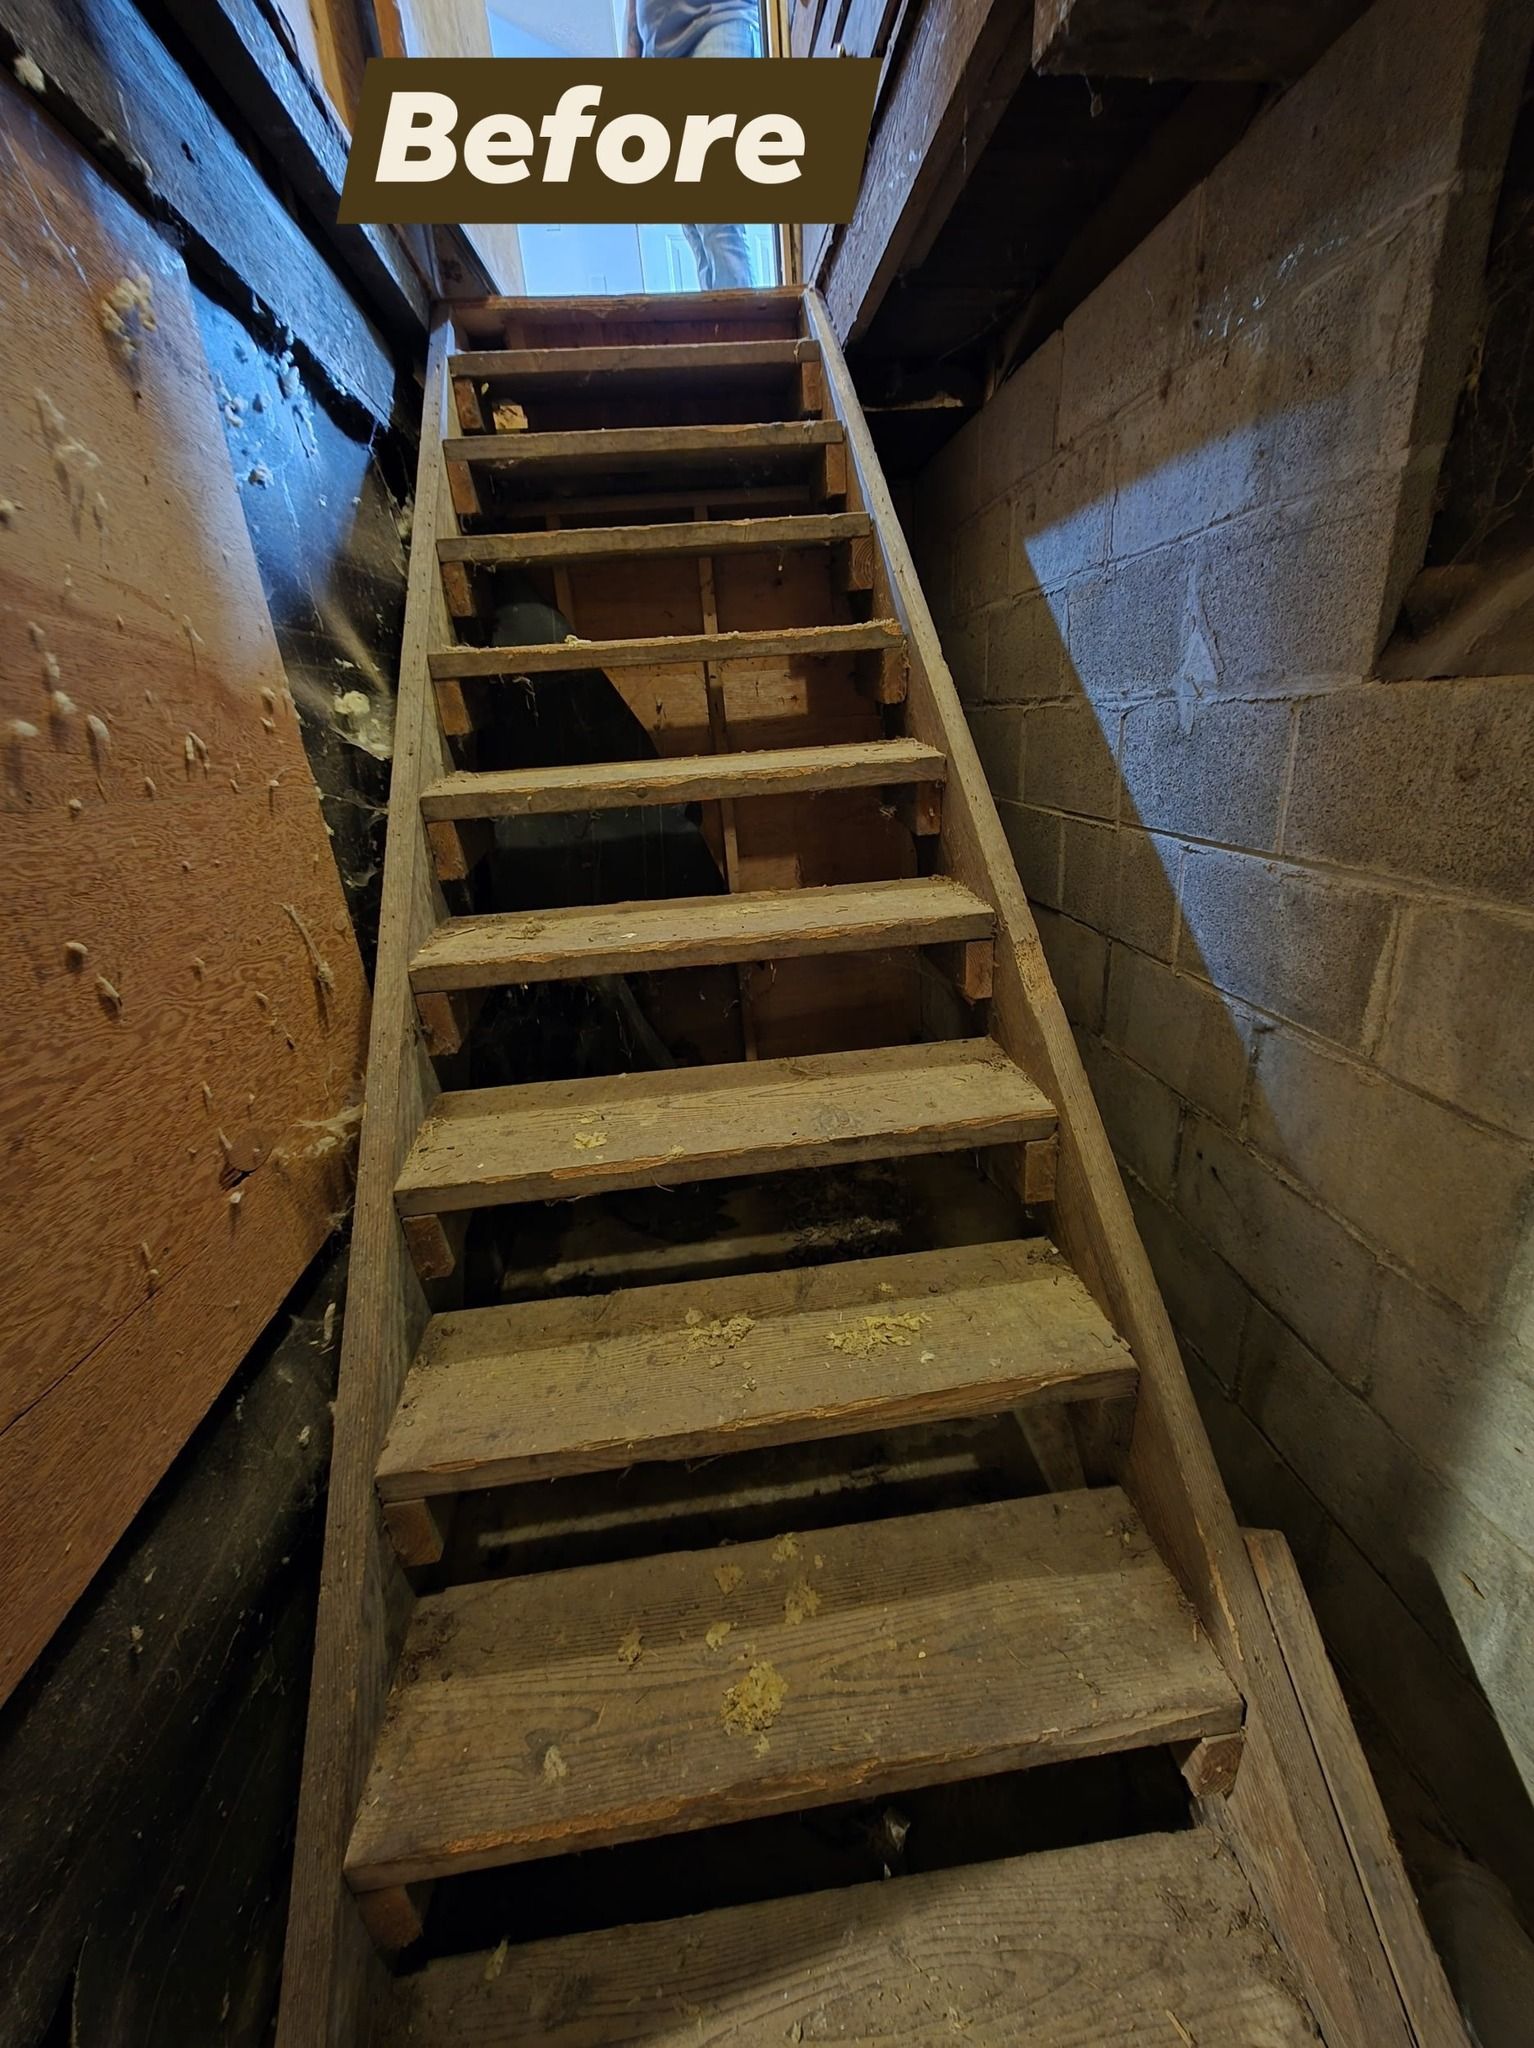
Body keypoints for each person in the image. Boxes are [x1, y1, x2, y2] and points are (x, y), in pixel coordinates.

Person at [623, 0, 761, 290]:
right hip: (658, 51)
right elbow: (633, 8)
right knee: (692, 221)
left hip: (717, 19)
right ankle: (722, 325)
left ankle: (744, 328)